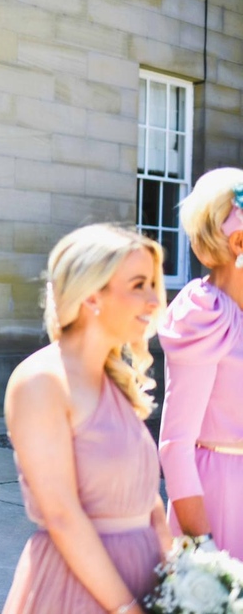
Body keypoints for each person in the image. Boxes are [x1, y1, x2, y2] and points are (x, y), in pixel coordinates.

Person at [2, 224, 171, 614]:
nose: (153, 301)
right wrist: (127, 608)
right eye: (139, 285)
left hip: (147, 579)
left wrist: (180, 577)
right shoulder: (42, 381)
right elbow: (61, 514)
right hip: (80, 591)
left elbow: (151, 503)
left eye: (152, 285)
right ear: (93, 296)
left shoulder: (115, 380)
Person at [158, 167, 243, 560]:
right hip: (224, 497)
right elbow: (175, 447)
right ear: (239, 241)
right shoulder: (205, 313)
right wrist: (204, 552)